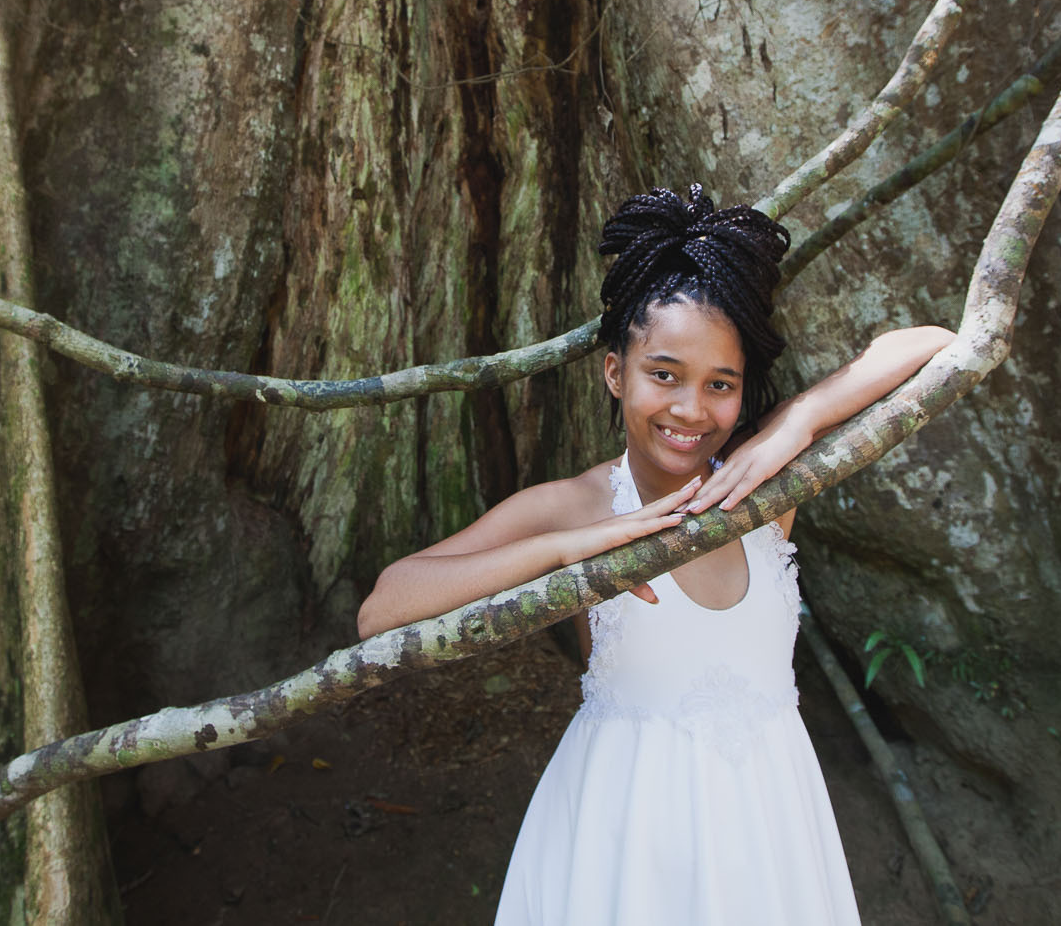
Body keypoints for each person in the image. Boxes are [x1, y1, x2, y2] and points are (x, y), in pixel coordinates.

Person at [356, 183, 954, 925]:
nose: (690, 410)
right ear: (616, 372)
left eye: (721, 385)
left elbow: (928, 343)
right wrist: (569, 550)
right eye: (663, 374)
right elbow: (383, 607)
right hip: (624, 833)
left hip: (769, 829)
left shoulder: (761, 491)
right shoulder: (574, 505)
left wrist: (791, 425)